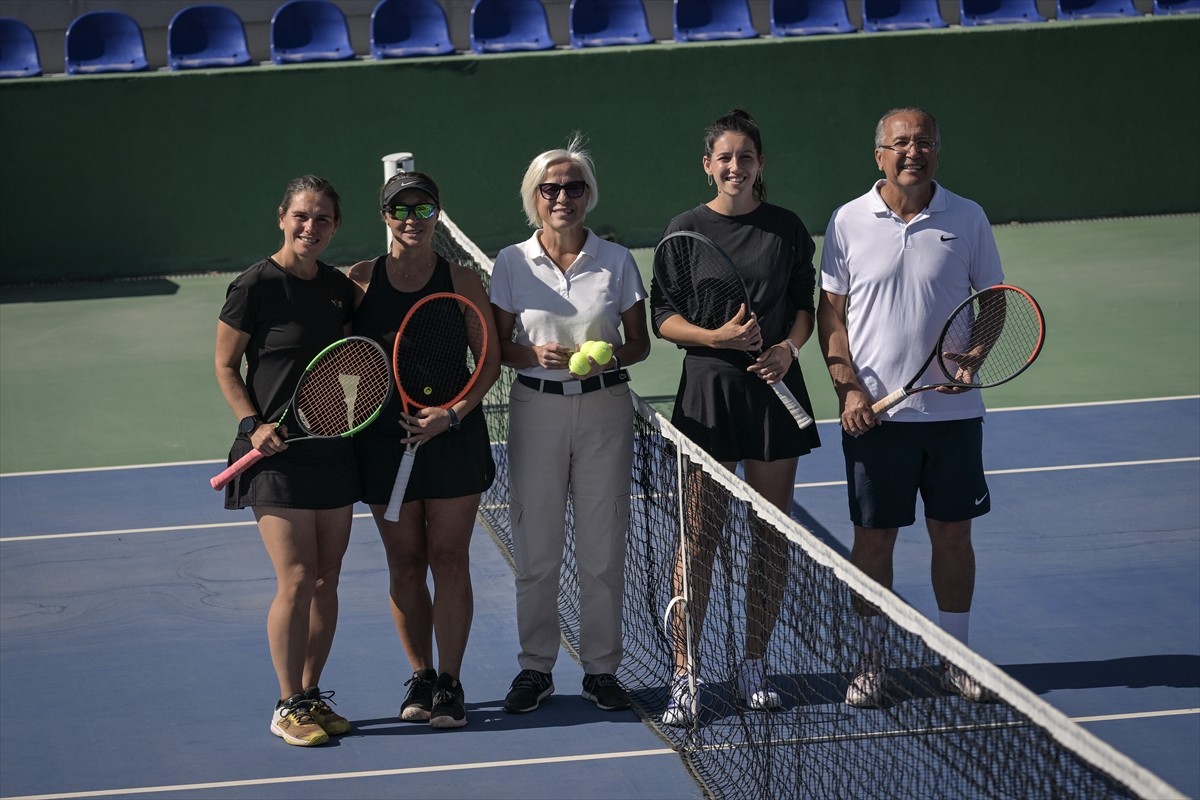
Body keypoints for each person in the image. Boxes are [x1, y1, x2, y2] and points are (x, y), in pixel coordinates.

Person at [816, 107, 1005, 707]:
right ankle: (870, 664)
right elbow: (832, 318)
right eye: (900, 143)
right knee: (873, 542)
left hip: (953, 419)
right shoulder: (847, 222)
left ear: (936, 155)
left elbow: (994, 302)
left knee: (953, 534)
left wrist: (971, 359)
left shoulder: (968, 217)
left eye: (923, 143)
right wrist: (848, 390)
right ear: (880, 155)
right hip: (877, 420)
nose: (912, 152)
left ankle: (958, 658)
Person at [651, 109, 821, 726]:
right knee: (699, 537)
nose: (734, 167)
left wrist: (787, 349)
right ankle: (684, 674)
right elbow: (662, 319)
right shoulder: (684, 229)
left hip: (776, 388)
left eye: (744, 157)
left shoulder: (786, 229)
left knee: (770, 534)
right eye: (724, 158)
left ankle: (753, 663)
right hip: (710, 393)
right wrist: (717, 337)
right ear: (708, 164)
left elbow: (802, 308)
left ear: (760, 164)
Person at [489, 135, 650, 715]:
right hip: (537, 410)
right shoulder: (510, 262)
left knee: (603, 549)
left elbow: (641, 345)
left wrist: (608, 352)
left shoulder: (617, 260)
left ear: (589, 196)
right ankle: (536, 668)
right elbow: (499, 345)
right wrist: (534, 356)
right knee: (537, 549)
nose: (562, 197)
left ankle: (602, 669)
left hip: (607, 410)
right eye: (550, 188)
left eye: (573, 187)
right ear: (534, 197)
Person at [348, 171, 500, 730]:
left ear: (437, 215)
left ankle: (452, 682)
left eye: (423, 210)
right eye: (400, 210)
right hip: (386, 443)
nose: (412, 220)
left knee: (449, 558)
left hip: (453, 437)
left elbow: (487, 361)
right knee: (405, 562)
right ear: (384, 216)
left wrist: (451, 415)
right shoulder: (360, 281)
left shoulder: (461, 280)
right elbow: (343, 353)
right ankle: (421, 675)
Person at [215, 175, 358, 747]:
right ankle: (285, 704)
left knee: (327, 579)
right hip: (273, 457)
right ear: (282, 217)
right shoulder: (254, 285)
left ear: (335, 227)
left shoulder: (339, 289)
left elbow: (351, 361)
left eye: (323, 218)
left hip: (333, 453)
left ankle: (310, 694)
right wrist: (254, 426)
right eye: (302, 215)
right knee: (297, 577)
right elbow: (226, 366)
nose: (311, 227)